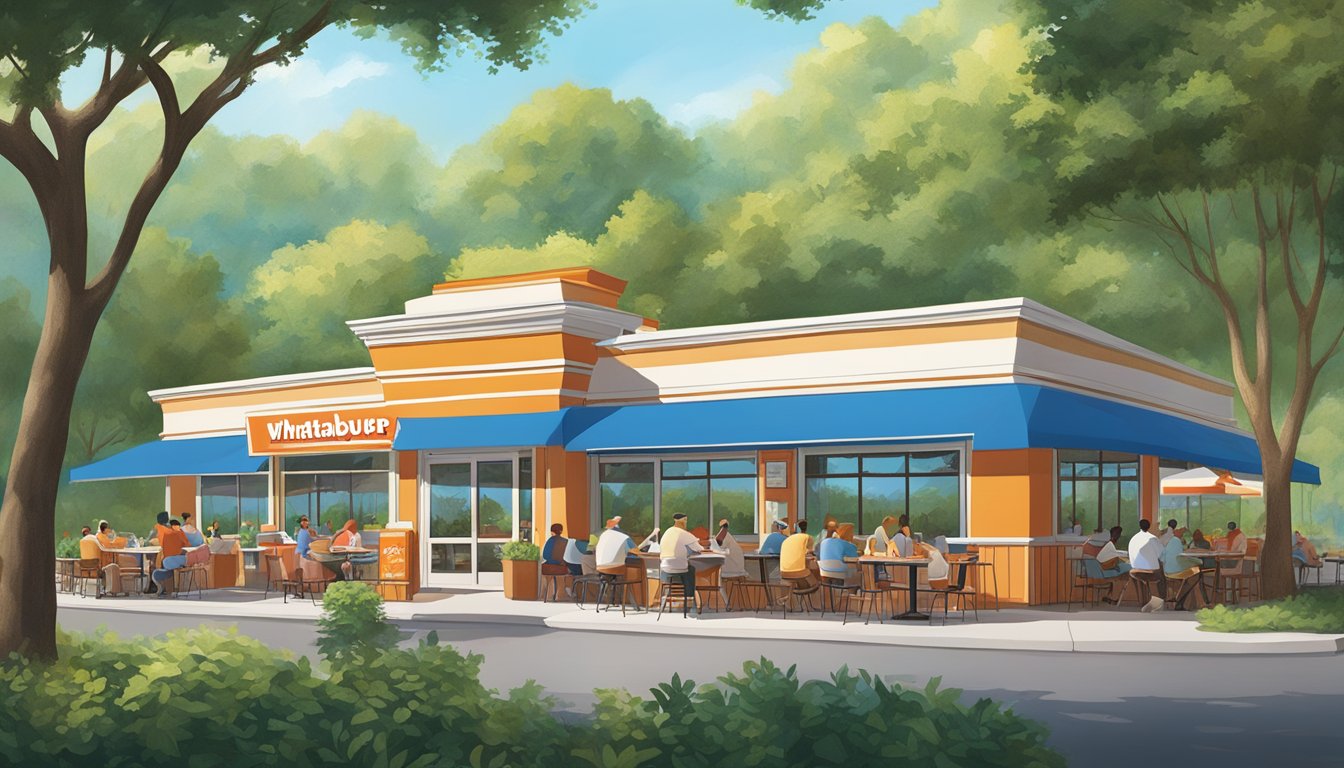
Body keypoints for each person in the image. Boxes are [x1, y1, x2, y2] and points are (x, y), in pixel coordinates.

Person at [658, 513, 705, 613]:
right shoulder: (683, 533)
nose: (686, 523)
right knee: (691, 569)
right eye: (685, 521)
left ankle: (670, 600)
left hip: (664, 570)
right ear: (682, 522)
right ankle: (690, 601)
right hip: (679, 569)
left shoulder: (667, 532)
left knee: (686, 567)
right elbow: (699, 549)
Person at [1127, 519, 1167, 612]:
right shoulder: (1152, 538)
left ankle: (1146, 601)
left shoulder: (1133, 539)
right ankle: (1161, 600)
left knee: (1154, 571)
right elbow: (1160, 554)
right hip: (1150, 572)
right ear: (1149, 527)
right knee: (1161, 575)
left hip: (1135, 570)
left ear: (1139, 526)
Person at [1161, 531, 1207, 609]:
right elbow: (1180, 557)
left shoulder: (1164, 541)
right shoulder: (1177, 541)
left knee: (1193, 574)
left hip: (1166, 571)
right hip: (1177, 571)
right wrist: (1199, 562)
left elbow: (1162, 558)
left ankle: (1196, 602)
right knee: (1195, 573)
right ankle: (1186, 601)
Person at [151, 519, 190, 597]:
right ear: (174, 526)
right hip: (172, 560)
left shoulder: (166, 534)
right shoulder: (178, 533)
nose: (179, 527)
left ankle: (164, 588)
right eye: (178, 526)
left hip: (166, 561)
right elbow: (187, 544)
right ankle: (175, 588)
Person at [818, 523, 861, 587]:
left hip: (824, 572)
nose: (853, 535)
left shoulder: (823, 542)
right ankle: (852, 593)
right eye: (852, 533)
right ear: (848, 533)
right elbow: (856, 559)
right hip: (840, 573)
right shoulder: (849, 545)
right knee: (859, 571)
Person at [779, 530, 819, 597]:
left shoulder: (787, 541)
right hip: (800, 574)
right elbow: (810, 551)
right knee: (815, 582)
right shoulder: (808, 538)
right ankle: (814, 602)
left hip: (784, 574)